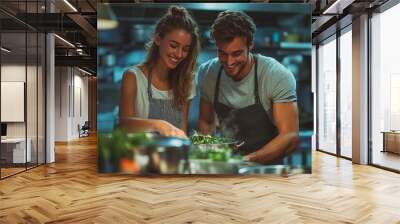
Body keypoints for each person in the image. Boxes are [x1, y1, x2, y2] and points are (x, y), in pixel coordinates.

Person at [198, 10, 299, 164]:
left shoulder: (275, 74)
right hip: (226, 167)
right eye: (222, 53)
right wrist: (208, 156)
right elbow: (206, 122)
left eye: (237, 53)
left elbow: (290, 136)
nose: (229, 62)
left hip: (267, 170)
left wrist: (244, 161)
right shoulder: (207, 73)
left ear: (250, 44)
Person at [119, 6, 200, 138]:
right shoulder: (133, 77)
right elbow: (124, 124)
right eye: (173, 46)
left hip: (173, 155)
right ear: (158, 39)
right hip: (140, 155)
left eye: (185, 49)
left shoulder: (187, 79)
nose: (179, 54)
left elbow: (182, 129)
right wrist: (158, 125)